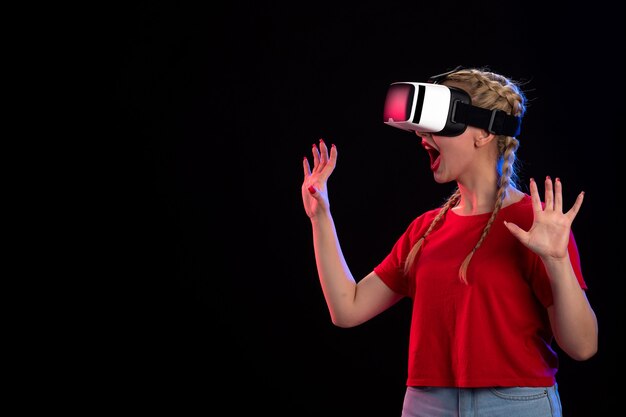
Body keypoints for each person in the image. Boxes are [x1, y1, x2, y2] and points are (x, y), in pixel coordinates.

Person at [300, 66, 598, 417]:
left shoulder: (536, 223)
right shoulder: (424, 230)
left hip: (516, 404)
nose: (422, 137)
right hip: (427, 405)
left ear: (484, 133)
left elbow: (582, 346)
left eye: (437, 126)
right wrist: (320, 216)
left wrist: (557, 261)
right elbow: (347, 309)